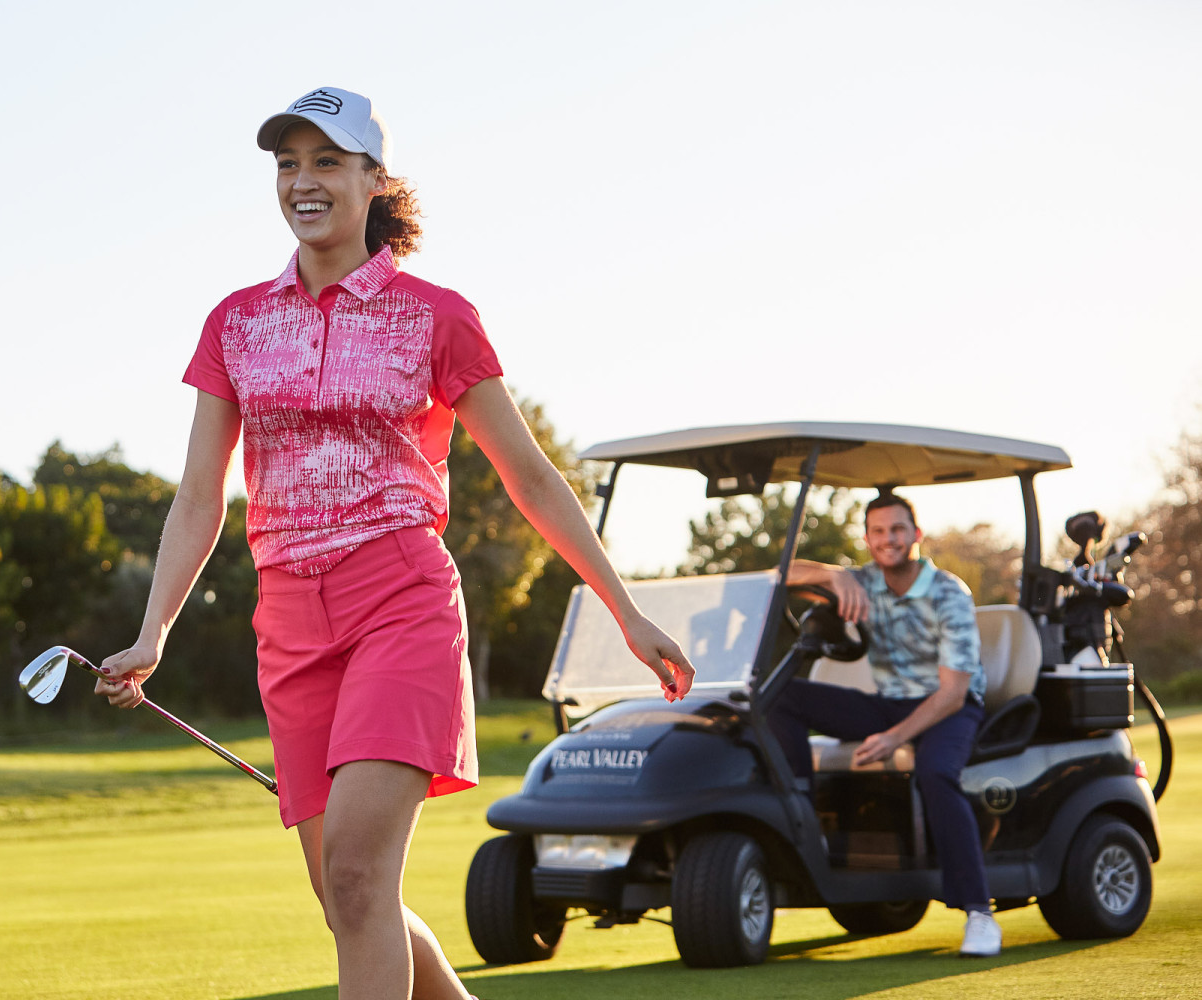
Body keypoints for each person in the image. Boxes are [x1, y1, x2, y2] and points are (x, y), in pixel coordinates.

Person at [93, 86, 695, 1000]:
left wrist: (627, 610)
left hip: (400, 601)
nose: (303, 181)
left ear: (375, 179)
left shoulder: (435, 315)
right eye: (288, 164)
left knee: (357, 877)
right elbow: (198, 496)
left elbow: (530, 477)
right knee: (347, 898)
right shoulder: (235, 323)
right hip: (288, 619)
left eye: (327, 162)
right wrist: (154, 632)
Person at [770, 492, 1001, 958]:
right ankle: (804, 822)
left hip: (949, 708)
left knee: (936, 773)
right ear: (867, 539)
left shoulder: (948, 593)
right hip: (889, 703)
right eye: (878, 531)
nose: (888, 539)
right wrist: (834, 575)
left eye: (897, 529)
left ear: (916, 535)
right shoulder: (862, 580)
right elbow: (779, 576)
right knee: (781, 696)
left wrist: (895, 738)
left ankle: (979, 912)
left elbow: (953, 692)